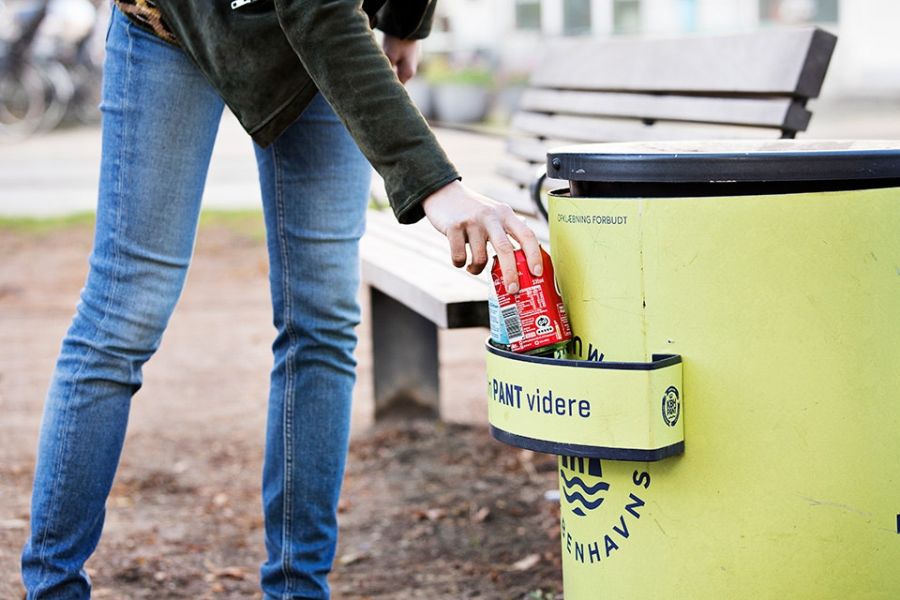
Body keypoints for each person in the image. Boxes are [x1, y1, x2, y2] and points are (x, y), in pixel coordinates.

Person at [20, 1, 542, 598]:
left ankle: (298, 588)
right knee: (125, 312)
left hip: (316, 37)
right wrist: (436, 187)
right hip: (173, 24)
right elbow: (317, 9)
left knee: (321, 321)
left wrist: (404, 17)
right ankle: (55, 588)